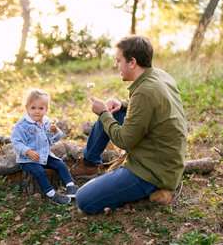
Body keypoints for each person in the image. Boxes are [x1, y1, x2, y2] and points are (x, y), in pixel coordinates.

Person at [70, 35, 187, 214]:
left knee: (84, 199)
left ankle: (149, 189)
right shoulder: (158, 75)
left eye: (118, 61)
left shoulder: (145, 92)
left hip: (153, 170)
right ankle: (89, 164)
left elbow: (124, 141)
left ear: (132, 62)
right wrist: (121, 103)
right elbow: (148, 106)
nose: (116, 65)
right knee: (113, 111)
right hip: (162, 157)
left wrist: (103, 113)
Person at [11, 88, 79, 206]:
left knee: (60, 164)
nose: (37, 111)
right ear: (27, 108)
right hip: (28, 159)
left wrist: (54, 132)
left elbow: (51, 141)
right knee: (39, 171)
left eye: (41, 108)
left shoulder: (46, 122)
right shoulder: (22, 125)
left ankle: (70, 186)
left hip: (43, 156)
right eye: (33, 108)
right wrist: (28, 151)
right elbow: (16, 142)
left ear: (46, 109)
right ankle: (52, 194)